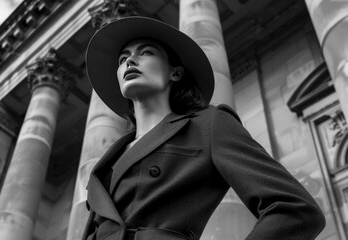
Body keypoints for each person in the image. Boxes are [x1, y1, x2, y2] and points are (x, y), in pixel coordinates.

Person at [82, 16, 326, 240]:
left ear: (175, 72)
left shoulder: (208, 124)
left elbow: (297, 210)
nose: (130, 61)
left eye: (146, 52)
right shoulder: (110, 158)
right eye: (123, 59)